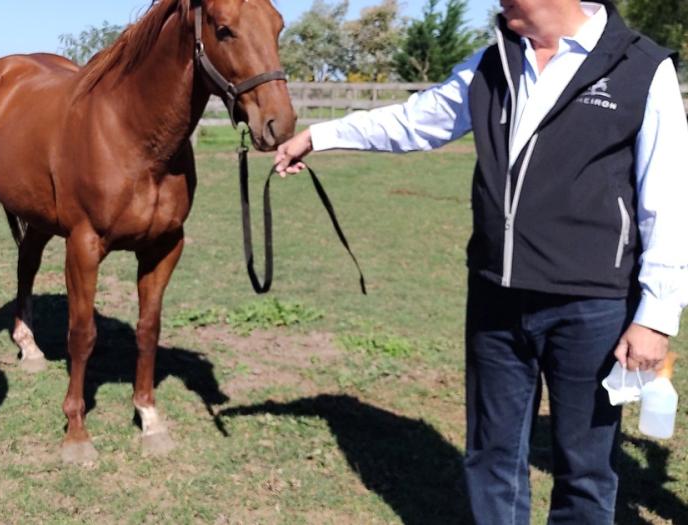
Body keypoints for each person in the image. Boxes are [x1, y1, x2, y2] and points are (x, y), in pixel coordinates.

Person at [275, 0, 687, 523]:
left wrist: (655, 317)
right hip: (496, 298)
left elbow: (668, 202)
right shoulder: (493, 60)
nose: (496, 3)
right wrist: (321, 135)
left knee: (585, 469)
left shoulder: (642, 68)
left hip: (592, 305)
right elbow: (415, 121)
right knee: (491, 455)